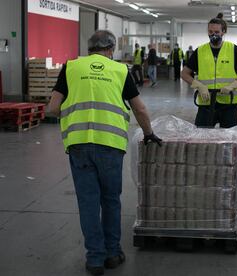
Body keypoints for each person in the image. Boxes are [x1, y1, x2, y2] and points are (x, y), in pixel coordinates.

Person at [48, 30, 162, 276]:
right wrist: (149, 133)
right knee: (110, 200)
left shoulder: (71, 68)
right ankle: (112, 254)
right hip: (110, 146)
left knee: (88, 202)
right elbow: (140, 109)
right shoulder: (120, 71)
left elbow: (53, 107)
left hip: (79, 146)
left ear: (90, 49)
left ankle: (95, 260)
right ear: (110, 49)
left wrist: (72, 116)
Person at [181, 13, 237, 128]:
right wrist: (199, 86)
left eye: (217, 32)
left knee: (229, 138)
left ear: (223, 32)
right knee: (202, 136)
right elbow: (184, 73)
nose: (213, 35)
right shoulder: (200, 51)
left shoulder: (233, 49)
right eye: (210, 32)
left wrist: (234, 84)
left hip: (229, 103)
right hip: (206, 102)